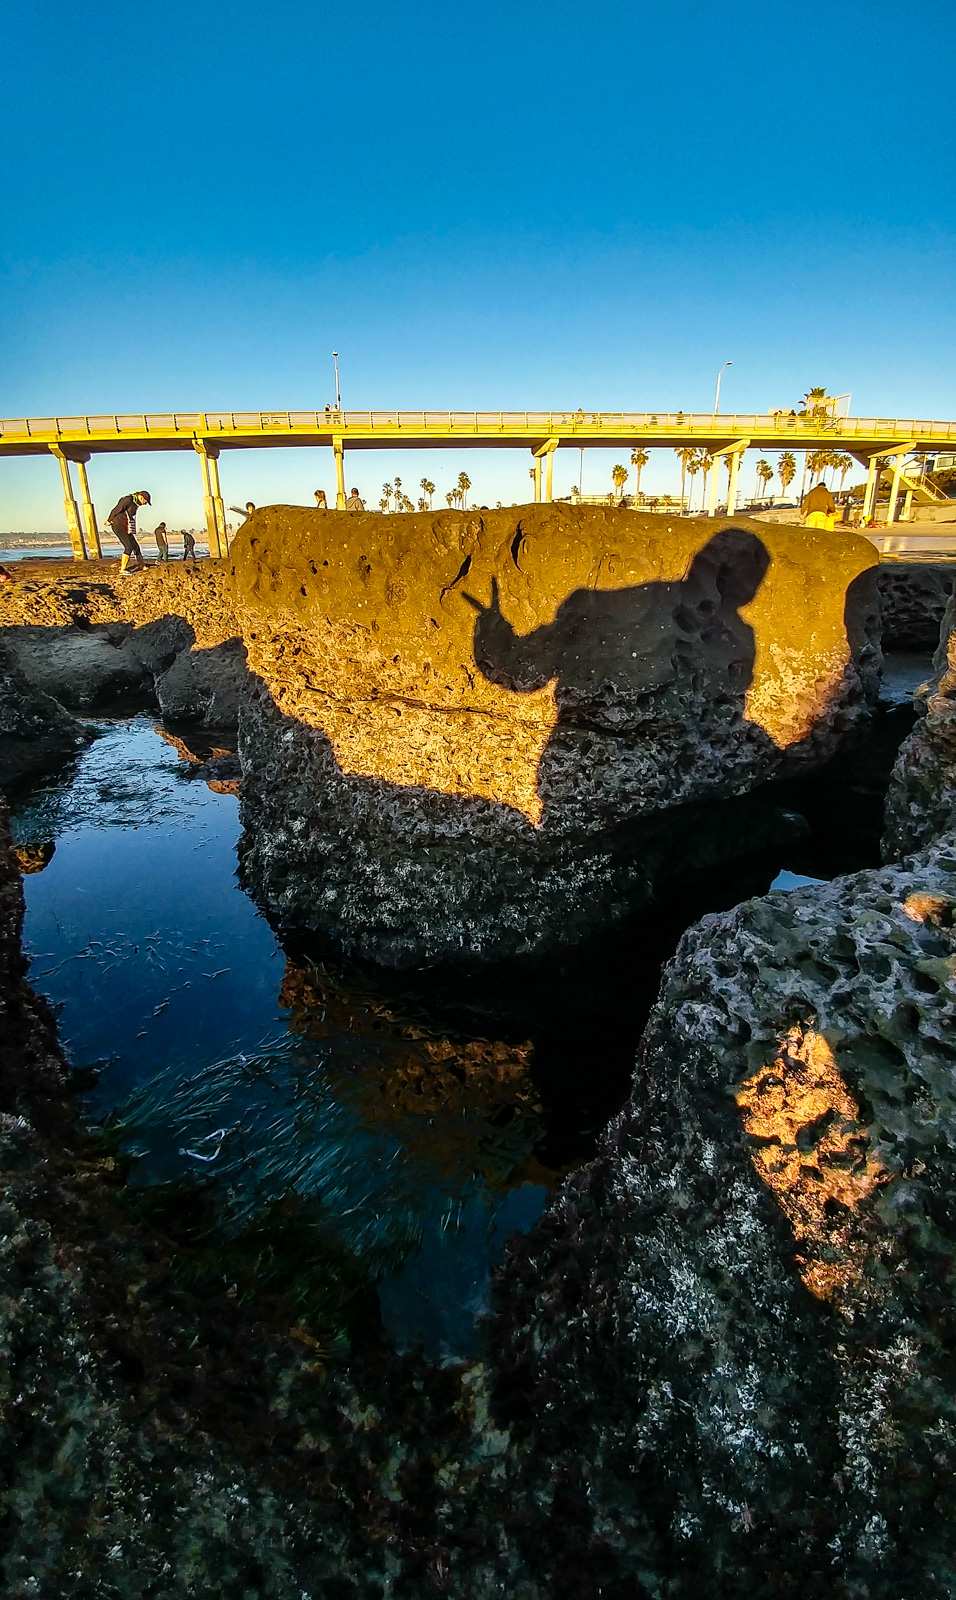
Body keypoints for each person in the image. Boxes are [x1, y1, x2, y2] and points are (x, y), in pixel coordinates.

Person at [108, 490, 150, 575]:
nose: (145, 504)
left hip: (127, 527)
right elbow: (116, 509)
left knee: (136, 546)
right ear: (141, 497)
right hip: (118, 526)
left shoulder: (135, 503)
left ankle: (141, 565)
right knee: (129, 547)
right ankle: (122, 570)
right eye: (145, 502)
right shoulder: (128, 499)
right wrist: (109, 520)